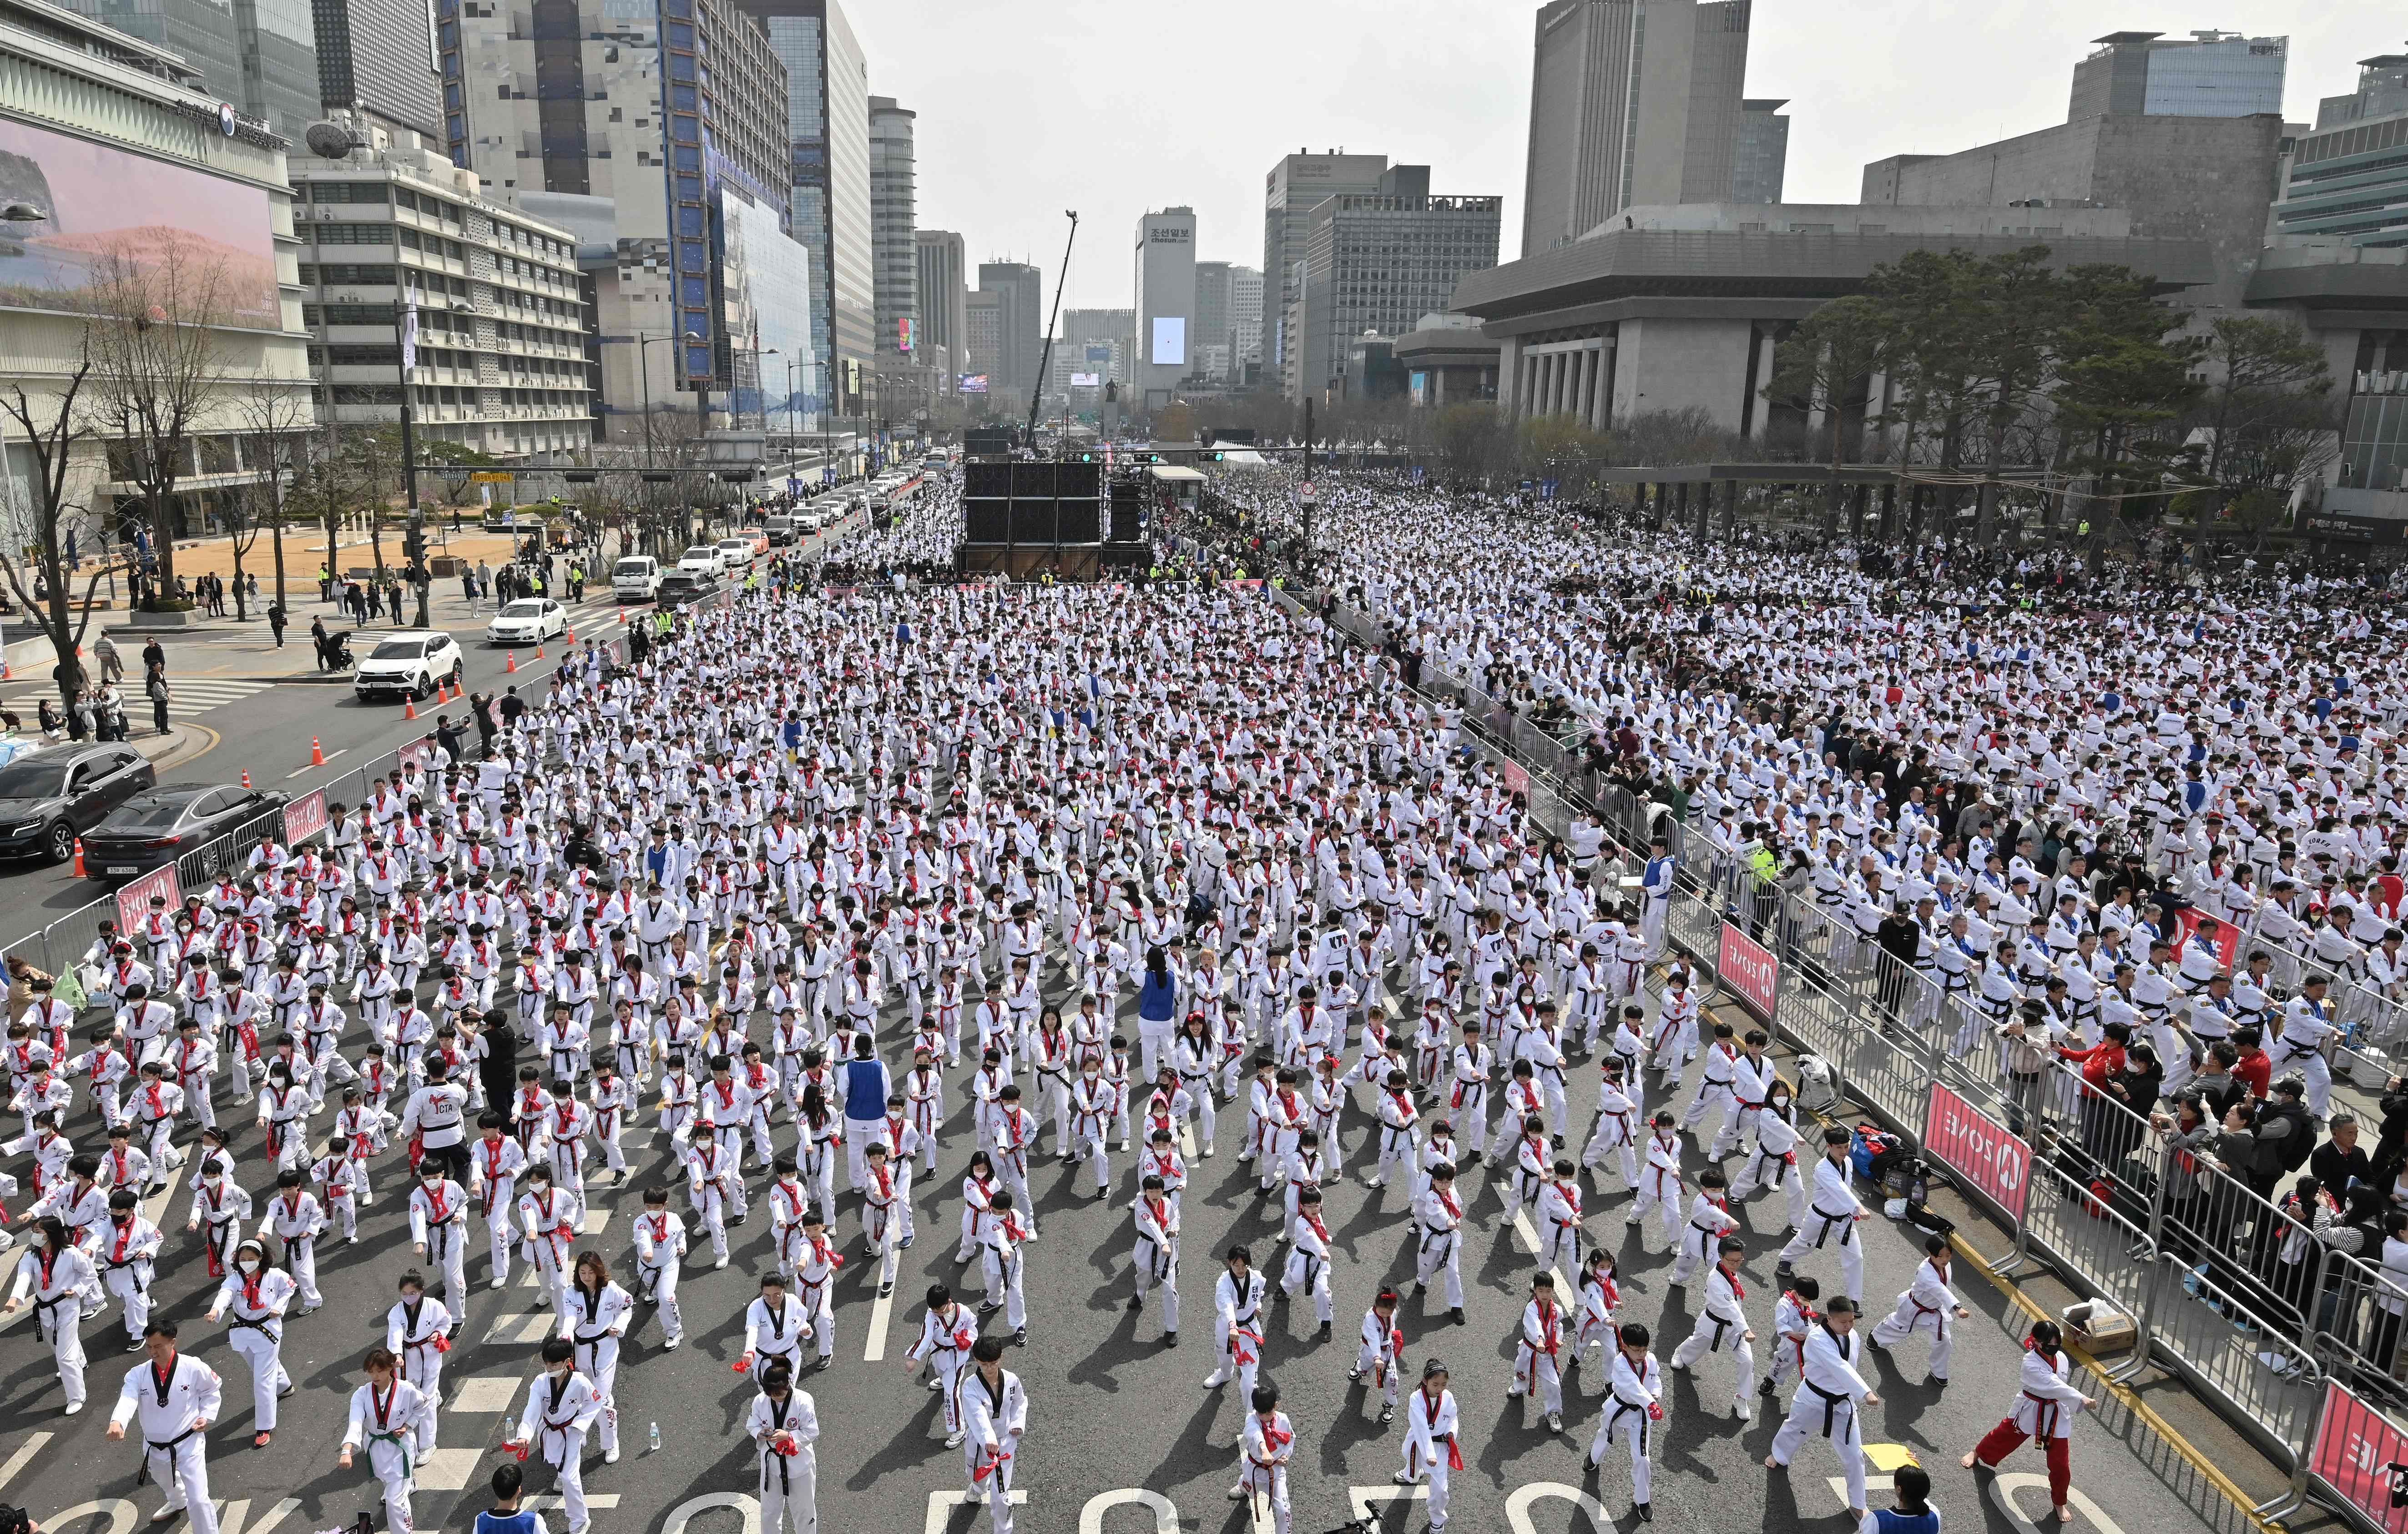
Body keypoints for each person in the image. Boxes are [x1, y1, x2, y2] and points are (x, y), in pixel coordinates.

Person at [1962, 1318, 2093, 1523]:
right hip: (2032, 1408)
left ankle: (2060, 1501)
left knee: (2061, 1464)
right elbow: (2055, 1385)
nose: (2056, 1348)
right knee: (2004, 1436)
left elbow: (2059, 1388)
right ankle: (1978, 1452)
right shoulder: (2030, 1363)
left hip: (2055, 1412)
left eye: (2058, 1343)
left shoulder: (2062, 1358)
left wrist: (2075, 1398)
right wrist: (2080, 1398)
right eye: (2051, 1344)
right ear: (2039, 1343)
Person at [1766, 1296, 1880, 1521]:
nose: (1848, 1326)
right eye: (1843, 1322)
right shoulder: (1817, 1338)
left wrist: (1857, 1392)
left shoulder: (1852, 1336)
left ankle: (1858, 1504)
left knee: (1854, 1454)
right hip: (1814, 1398)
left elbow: (1849, 1368)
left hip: (1843, 1402)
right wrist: (1865, 1392)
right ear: (1829, 1319)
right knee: (1795, 1428)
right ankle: (1779, 1454)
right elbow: (1838, 1367)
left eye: (1851, 1321)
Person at [107, 1320, 223, 1534]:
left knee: (199, 1500)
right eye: (149, 1346)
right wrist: (118, 1421)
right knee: (167, 1483)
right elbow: (128, 1398)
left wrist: (206, 1416)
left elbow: (212, 1390)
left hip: (189, 1443)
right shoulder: (137, 1374)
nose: (153, 1352)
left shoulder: (193, 1366)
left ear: (173, 1343)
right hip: (155, 1448)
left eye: (158, 1346)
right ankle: (178, 1502)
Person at [503, 1337, 603, 1534]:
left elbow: (595, 1402)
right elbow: (532, 1409)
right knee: (560, 1465)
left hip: (570, 1431)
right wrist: (525, 1435)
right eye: (547, 1364)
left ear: (568, 1361)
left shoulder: (580, 1382)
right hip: (549, 1430)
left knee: (570, 1478)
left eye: (554, 1364)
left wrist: (580, 1424)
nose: (549, 1368)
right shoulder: (540, 1382)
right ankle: (561, 1473)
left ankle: (580, 1520)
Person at [206, 1236, 295, 1447]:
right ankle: (284, 1386)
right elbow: (225, 1294)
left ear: (261, 1258)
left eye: (251, 1258)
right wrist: (215, 1310)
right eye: (243, 1258)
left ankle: (264, 1427)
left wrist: (280, 1307)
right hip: (243, 1332)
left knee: (262, 1381)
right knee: (261, 1368)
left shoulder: (275, 1276)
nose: (247, 1262)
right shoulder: (236, 1279)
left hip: (267, 1331)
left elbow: (290, 1287)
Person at [3, 1216, 99, 1412]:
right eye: (34, 1231)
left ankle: (76, 1397)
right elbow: (24, 1276)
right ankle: (80, 1360)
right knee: (58, 1345)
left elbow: (89, 1274)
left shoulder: (71, 1253)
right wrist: (15, 1298)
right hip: (45, 1309)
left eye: (38, 1232)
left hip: (67, 1307)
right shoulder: (31, 1256)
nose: (34, 1236)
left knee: (64, 1357)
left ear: (51, 1233)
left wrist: (77, 1289)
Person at [339, 1347, 435, 1534]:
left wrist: (408, 1425)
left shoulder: (407, 1390)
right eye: (370, 1371)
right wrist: (347, 1450)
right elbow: (356, 1423)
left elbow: (424, 1404)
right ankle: (409, 1485)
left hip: (401, 1447)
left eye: (379, 1370)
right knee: (388, 1483)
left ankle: (404, 1531)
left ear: (391, 1368)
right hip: (376, 1448)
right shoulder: (362, 1394)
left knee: (394, 1501)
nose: (374, 1376)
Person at [1584, 1322, 1666, 1523]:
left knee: (1643, 1459)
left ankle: (1643, 1500)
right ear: (1625, 1345)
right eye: (1637, 1350)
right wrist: (1651, 1403)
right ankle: (1593, 1458)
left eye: (1645, 1349)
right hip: (1620, 1410)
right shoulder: (1620, 1363)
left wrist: (1656, 1394)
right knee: (1605, 1438)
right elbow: (1634, 1387)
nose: (1641, 1354)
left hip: (1641, 1416)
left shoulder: (1651, 1360)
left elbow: (1656, 1380)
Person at [1867, 1234, 1970, 1385]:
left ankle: (1938, 1372)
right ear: (1930, 1253)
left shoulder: (1945, 1265)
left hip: (1936, 1311)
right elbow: (1940, 1290)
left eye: (1948, 1255)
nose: (1945, 1259)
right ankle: (1876, 1336)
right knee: (1898, 1328)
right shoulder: (1925, 1271)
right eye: (1940, 1256)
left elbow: (1942, 1290)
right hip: (1915, 1309)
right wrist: (1957, 1308)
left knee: (1944, 1341)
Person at [959, 1334, 1027, 1534]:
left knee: (1002, 1496)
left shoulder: (1012, 1380)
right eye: (984, 1364)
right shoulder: (971, 1386)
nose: (989, 1368)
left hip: (1005, 1444)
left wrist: (1017, 1423)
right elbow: (977, 1416)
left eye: (994, 1363)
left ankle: (1004, 1531)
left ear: (1001, 1358)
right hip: (981, 1445)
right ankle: (978, 1489)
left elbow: (1020, 1403)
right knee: (976, 1476)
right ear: (977, 1361)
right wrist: (989, 1439)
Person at [748, 1357, 819, 1534]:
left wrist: (788, 1436)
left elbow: (812, 1431)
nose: (775, 1398)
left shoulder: (803, 1401)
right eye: (771, 1394)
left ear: (788, 1386)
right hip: (771, 1464)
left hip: (799, 1465)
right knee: (769, 1513)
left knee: (804, 1512)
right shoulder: (759, 1401)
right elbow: (752, 1423)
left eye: (779, 1394)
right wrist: (760, 1433)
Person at [1394, 1358, 1462, 1531]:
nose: (1439, 1389)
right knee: (1412, 1462)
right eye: (1435, 1384)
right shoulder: (1416, 1399)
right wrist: (1429, 1454)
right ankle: (1412, 1475)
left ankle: (1438, 1519)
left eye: (1444, 1385)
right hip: (1419, 1442)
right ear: (1425, 1381)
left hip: (1440, 1445)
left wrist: (1451, 1432)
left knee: (1440, 1488)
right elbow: (1421, 1428)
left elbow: (1453, 1418)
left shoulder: (1448, 1397)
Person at [1232, 1382, 1295, 1534]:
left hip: (1276, 1471)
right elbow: (1254, 1433)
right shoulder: (1252, 1420)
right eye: (1261, 1414)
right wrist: (1264, 1449)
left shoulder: (1284, 1420)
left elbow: (1291, 1438)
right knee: (1249, 1485)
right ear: (1255, 1410)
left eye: (1269, 1413)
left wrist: (1285, 1456)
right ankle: (1242, 1485)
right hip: (1255, 1469)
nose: (1265, 1417)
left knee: (1284, 1511)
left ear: (1276, 1405)